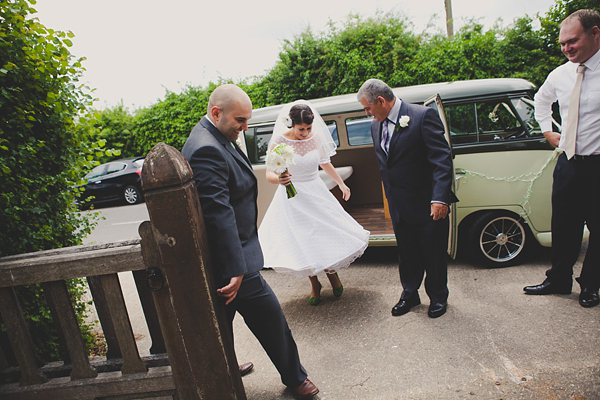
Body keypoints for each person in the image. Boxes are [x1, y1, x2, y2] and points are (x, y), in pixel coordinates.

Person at [181, 84, 319, 398]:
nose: (245, 128)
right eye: (240, 120)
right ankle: (295, 379)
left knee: (220, 324)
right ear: (216, 113)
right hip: (232, 261)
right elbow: (219, 212)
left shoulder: (214, 136)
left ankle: (226, 366)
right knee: (270, 317)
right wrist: (236, 269)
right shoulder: (206, 148)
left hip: (232, 255)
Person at [357, 79, 457, 318]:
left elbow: (441, 160)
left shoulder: (422, 116)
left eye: (368, 108)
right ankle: (409, 294)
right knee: (407, 254)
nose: (367, 113)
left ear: (381, 101)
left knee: (433, 254)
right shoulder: (375, 125)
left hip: (428, 203)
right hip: (399, 204)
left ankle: (438, 297)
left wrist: (440, 199)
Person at [258, 101, 370, 305]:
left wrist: (341, 184)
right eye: (301, 129)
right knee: (303, 240)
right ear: (291, 125)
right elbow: (269, 174)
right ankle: (314, 283)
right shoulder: (279, 143)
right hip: (292, 197)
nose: (305, 132)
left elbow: (325, 163)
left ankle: (332, 275)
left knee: (322, 235)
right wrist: (280, 180)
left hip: (315, 192)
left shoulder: (316, 138)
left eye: (309, 128)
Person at [524, 9, 600, 308]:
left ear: (595, 34)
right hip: (568, 163)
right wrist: (546, 131)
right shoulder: (560, 73)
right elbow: (541, 101)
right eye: (562, 44)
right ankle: (558, 280)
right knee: (564, 226)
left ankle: (591, 285)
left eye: (573, 41)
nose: (567, 48)